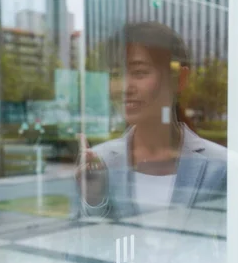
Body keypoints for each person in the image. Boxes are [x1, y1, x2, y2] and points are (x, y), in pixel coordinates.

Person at [75, 21, 227, 220]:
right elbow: (79, 245)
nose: (124, 87)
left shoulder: (222, 166)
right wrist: (94, 203)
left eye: (139, 72)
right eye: (115, 74)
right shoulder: (98, 164)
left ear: (178, 79)